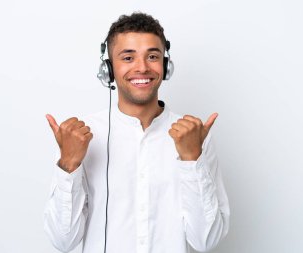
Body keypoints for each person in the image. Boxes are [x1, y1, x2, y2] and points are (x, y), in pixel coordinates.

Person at [44, 12, 230, 253]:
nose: (142, 67)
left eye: (152, 56)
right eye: (128, 57)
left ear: (165, 64)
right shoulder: (82, 137)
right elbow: (62, 241)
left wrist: (191, 160)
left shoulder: (195, 137)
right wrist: (68, 164)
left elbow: (206, 241)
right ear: (108, 68)